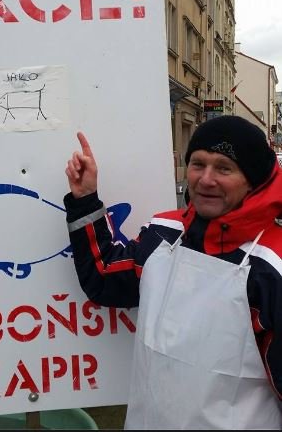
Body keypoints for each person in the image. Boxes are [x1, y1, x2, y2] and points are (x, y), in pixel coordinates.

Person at [64, 115, 281, 430]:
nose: (206, 179)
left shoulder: (271, 265)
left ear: (254, 180)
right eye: (198, 164)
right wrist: (85, 200)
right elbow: (104, 278)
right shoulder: (163, 232)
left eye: (224, 168)